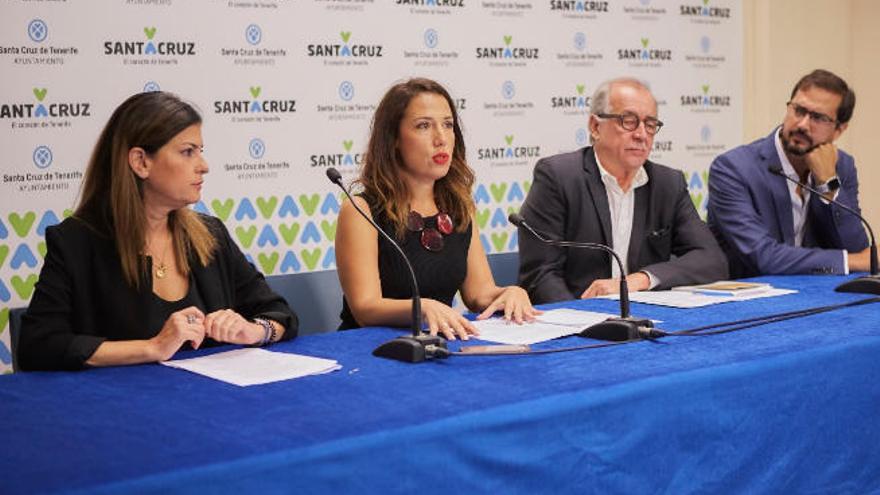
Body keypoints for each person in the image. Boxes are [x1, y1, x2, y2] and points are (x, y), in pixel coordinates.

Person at [18, 92, 298, 371]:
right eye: (188, 152)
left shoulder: (211, 235)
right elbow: (39, 345)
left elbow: (281, 314)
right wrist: (153, 347)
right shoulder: (75, 242)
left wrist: (255, 331)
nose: (204, 166)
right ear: (141, 162)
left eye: (201, 151)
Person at [335, 78, 539, 340]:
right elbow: (365, 308)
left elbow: (478, 294)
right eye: (423, 126)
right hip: (370, 349)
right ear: (393, 138)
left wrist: (510, 293)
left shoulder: (458, 206)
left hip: (437, 345)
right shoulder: (361, 210)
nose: (441, 138)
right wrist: (421, 308)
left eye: (447, 125)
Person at [518, 77, 728, 304]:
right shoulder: (558, 176)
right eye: (628, 121)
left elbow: (712, 260)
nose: (641, 134)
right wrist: (582, 320)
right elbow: (540, 276)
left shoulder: (668, 184)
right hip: (577, 319)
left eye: (650, 125)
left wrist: (640, 280)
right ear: (595, 126)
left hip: (646, 318)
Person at [707, 69, 870, 277]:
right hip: (749, 301)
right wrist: (848, 261)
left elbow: (857, 249)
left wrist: (829, 184)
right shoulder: (733, 169)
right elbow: (763, 257)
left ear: (839, 130)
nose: (802, 124)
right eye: (799, 110)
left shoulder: (842, 165)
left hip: (817, 296)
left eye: (818, 118)